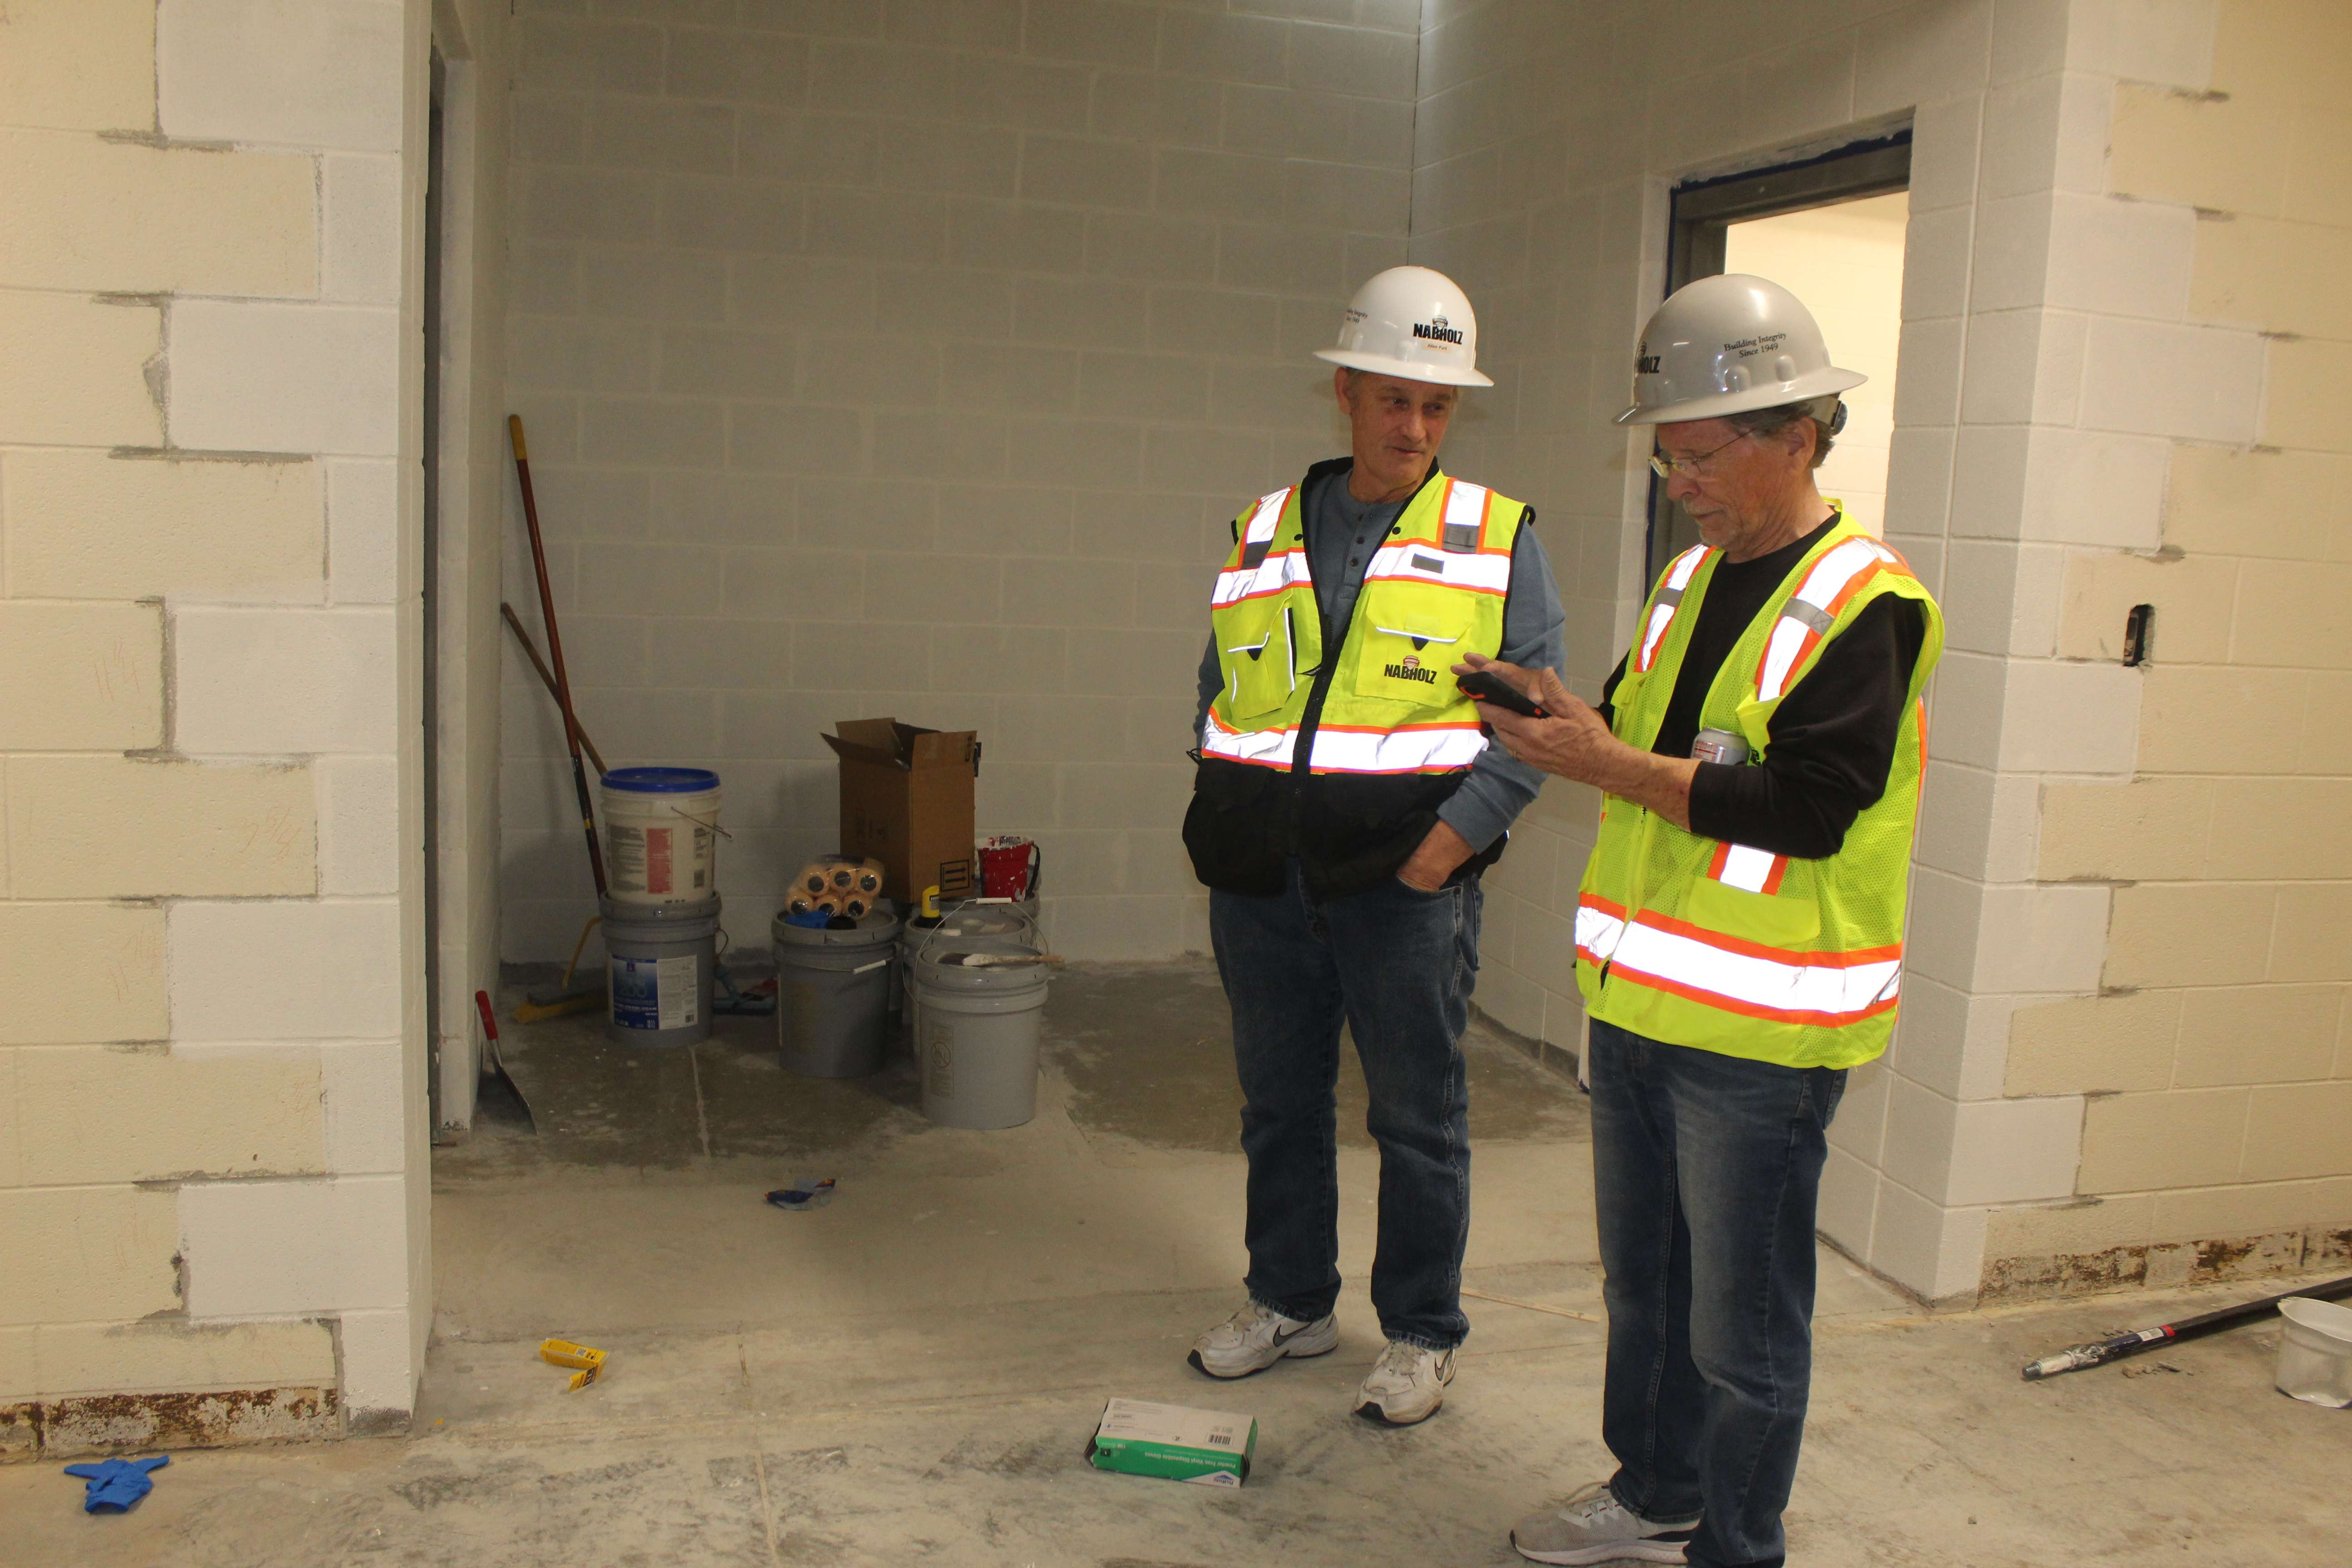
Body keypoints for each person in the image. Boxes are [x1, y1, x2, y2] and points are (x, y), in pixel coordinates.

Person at [1469, 274, 1945, 1567]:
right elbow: (1643, 737)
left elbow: (1810, 809)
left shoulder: (1867, 602)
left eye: (1700, 456)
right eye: (1666, 458)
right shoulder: (1687, 581)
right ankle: (1656, 1488)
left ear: (1798, 434)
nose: (1678, 484)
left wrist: (1606, 764)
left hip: (1761, 1036)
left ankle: (1739, 1543)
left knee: (1743, 1327)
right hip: (1640, 1003)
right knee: (1647, 1290)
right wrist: (1562, 719)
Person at [1181, 265, 1568, 1426]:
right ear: (1345, 389)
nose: (1415, 427)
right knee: (1278, 1106)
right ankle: (1290, 1300)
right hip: (1264, 879)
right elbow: (1219, 688)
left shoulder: (1495, 536)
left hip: (1407, 889)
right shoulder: (1262, 527)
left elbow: (1537, 728)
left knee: (1417, 1118)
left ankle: (1420, 1332)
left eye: (1437, 406)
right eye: (1395, 399)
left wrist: (1443, 854)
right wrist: (1232, 808)